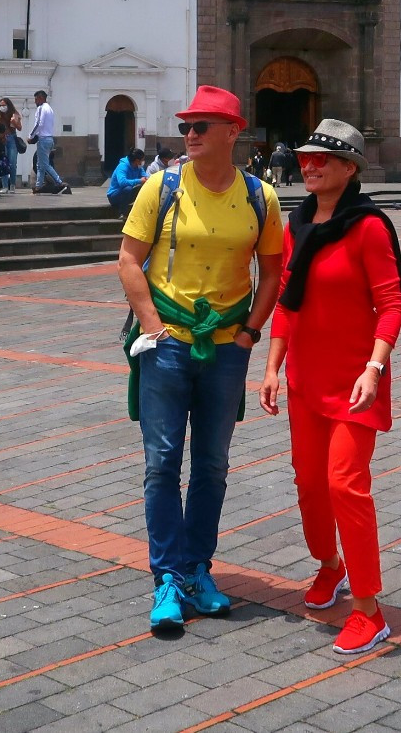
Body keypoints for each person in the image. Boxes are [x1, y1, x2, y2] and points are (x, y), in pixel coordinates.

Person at [118, 86, 284, 636]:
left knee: (211, 464)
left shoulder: (260, 196)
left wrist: (249, 336)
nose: (189, 134)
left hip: (226, 349)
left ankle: (197, 569)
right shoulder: (161, 188)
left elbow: (272, 271)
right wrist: (151, 325)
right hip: (168, 343)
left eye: (202, 126)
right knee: (162, 461)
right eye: (187, 125)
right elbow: (129, 259)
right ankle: (167, 576)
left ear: (234, 132)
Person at [259, 118, 401, 656]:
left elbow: (391, 304)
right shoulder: (295, 226)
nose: (310, 165)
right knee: (309, 484)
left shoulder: (369, 226)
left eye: (323, 158)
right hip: (304, 379)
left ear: (350, 168)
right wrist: (272, 368)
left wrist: (375, 367)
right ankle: (330, 565)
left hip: (354, 383)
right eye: (305, 157)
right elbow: (286, 303)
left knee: (346, 484)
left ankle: (370, 609)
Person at [28, 90, 69, 194]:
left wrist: (30, 136)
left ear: (41, 98)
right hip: (49, 139)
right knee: (40, 164)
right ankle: (38, 186)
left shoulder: (41, 108)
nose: (35, 102)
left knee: (44, 164)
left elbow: (39, 123)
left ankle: (58, 181)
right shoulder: (50, 109)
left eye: (36, 99)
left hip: (43, 139)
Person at [107, 148, 148, 217]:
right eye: (142, 160)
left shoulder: (139, 167)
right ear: (137, 160)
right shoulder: (122, 167)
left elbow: (145, 176)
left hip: (128, 194)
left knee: (144, 187)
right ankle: (122, 213)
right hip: (115, 195)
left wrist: (146, 179)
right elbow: (122, 182)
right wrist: (139, 181)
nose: (143, 161)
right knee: (127, 188)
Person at [0, 97, 24, 191]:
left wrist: (14, 122)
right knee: (3, 163)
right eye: (1, 105)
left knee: (12, 163)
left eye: (4, 105)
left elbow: (19, 128)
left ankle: (12, 185)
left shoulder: (14, 114)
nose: (2, 107)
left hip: (12, 138)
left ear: (8, 105)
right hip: (2, 139)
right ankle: (5, 186)